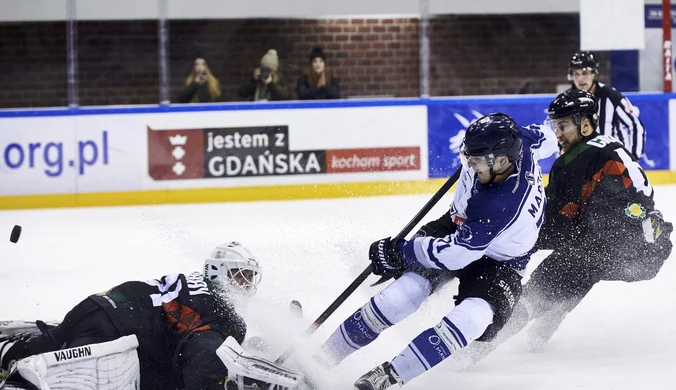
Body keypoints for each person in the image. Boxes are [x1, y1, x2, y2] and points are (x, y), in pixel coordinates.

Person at [313, 112, 558, 389]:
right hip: (456, 227)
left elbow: (456, 254)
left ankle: (390, 375)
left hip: (500, 263)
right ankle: (321, 359)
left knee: (471, 319)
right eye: (469, 155)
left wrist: (402, 251)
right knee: (398, 297)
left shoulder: (501, 203)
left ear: (502, 160)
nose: (469, 163)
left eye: (477, 159)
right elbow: (549, 136)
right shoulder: (518, 141)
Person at [460, 89, 673, 364]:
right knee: (579, 262)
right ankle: (550, 318)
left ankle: (476, 350)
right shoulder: (608, 146)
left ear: (585, 124)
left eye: (563, 125)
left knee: (544, 284)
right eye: (554, 125)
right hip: (648, 248)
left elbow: (555, 223)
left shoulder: (574, 161)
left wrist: (506, 238)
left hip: (621, 244)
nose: (557, 133)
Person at [0, 242, 301, 390]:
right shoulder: (216, 310)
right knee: (44, 376)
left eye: (250, 278)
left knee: (52, 342)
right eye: (241, 277)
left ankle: (15, 349)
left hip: (97, 306)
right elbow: (204, 360)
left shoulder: (197, 286)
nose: (246, 286)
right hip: (113, 338)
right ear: (219, 273)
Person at [567, 51, 645, 161]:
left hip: (612, 163)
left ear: (595, 74)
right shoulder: (567, 101)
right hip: (581, 167)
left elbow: (635, 125)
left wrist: (632, 158)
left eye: (585, 73)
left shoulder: (612, 96)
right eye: (576, 73)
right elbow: (561, 135)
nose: (580, 79)